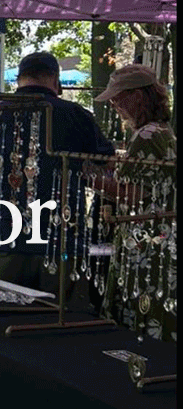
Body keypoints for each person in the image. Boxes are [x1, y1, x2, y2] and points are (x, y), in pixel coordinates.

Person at [0, 52, 115, 301]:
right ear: (54, 79)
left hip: (4, 236)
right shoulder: (76, 115)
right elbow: (105, 163)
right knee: (59, 324)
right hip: (61, 239)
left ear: (20, 79)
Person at [90, 64, 176, 341]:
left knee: (141, 318)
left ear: (138, 96)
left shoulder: (148, 135)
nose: (114, 104)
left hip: (145, 246)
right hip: (154, 241)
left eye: (118, 97)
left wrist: (88, 176)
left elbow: (133, 195)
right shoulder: (161, 131)